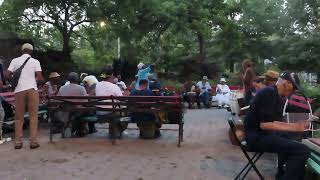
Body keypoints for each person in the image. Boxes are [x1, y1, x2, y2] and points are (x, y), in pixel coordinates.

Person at [244, 71, 310, 180]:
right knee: (303, 150)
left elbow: (275, 122)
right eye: (293, 89)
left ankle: (281, 176)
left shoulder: (277, 96)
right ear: (287, 84)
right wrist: (295, 128)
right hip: (255, 137)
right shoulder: (268, 93)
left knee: (288, 138)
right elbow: (264, 125)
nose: (293, 92)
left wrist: (295, 125)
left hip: (263, 134)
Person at [7, 43, 44, 149]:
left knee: (19, 117)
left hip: (19, 90)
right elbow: (40, 78)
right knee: (33, 116)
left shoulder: (14, 61)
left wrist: (14, 79)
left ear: (22, 50)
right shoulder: (35, 61)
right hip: (32, 90)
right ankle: (33, 142)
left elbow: (7, 75)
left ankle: (18, 142)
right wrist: (36, 81)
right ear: (31, 51)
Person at [55, 72, 90, 136]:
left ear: (68, 79)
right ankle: (80, 130)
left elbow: (58, 99)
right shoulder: (81, 88)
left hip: (65, 110)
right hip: (77, 110)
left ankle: (71, 129)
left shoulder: (62, 88)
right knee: (86, 110)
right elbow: (85, 101)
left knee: (75, 112)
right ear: (77, 79)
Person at [95, 68, 124, 137]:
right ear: (111, 76)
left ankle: (113, 131)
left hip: (99, 111)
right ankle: (117, 131)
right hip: (111, 112)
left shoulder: (97, 85)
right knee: (122, 111)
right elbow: (121, 99)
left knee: (115, 108)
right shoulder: (115, 87)